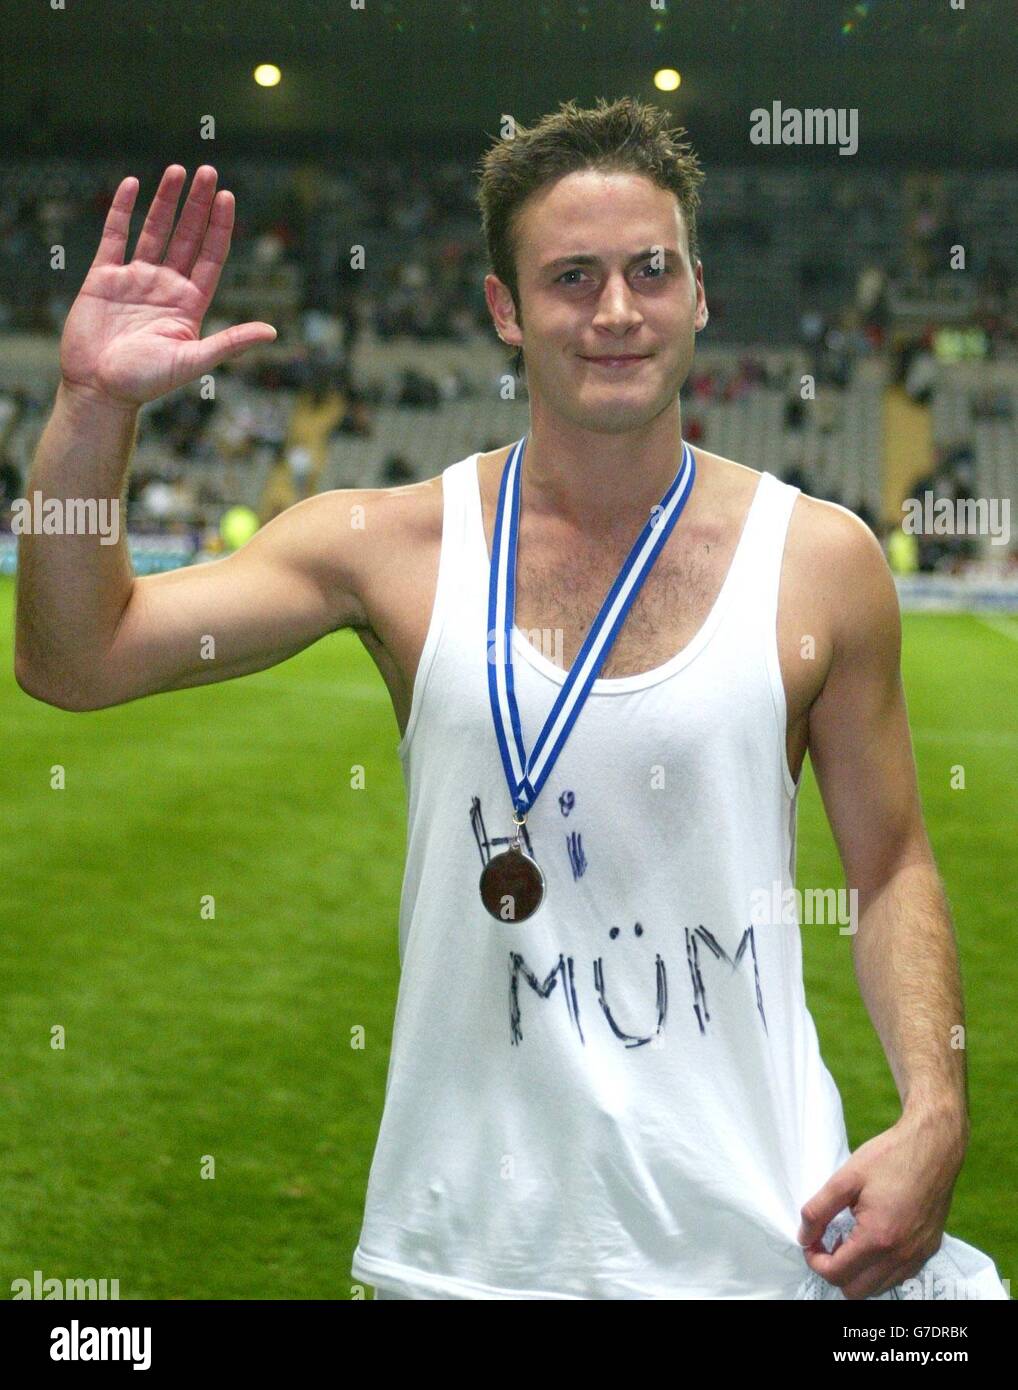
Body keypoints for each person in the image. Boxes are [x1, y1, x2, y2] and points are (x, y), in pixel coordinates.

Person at [13, 100, 1007, 1302]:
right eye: (570, 277)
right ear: (503, 310)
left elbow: (891, 862)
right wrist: (94, 406)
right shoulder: (390, 545)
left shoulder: (821, 559)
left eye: (651, 269)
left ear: (700, 292)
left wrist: (935, 1110)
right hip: (470, 1251)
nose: (616, 311)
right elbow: (78, 658)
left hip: (766, 1242)